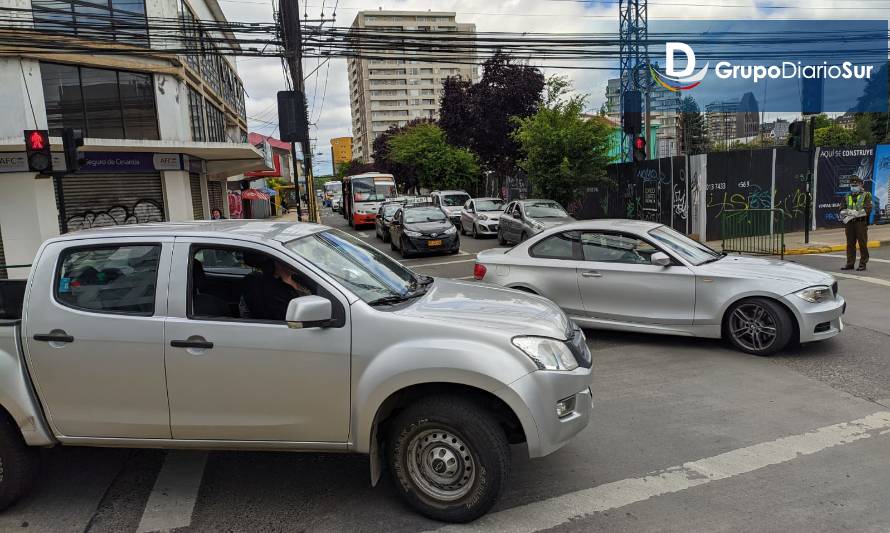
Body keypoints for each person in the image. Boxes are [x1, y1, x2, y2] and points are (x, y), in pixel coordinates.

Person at [841, 176, 872, 271]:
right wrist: (849, 213)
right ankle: (850, 263)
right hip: (849, 223)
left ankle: (863, 264)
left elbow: (867, 210)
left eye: (856, 185)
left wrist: (856, 213)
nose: (854, 186)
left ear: (861, 185)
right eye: (852, 185)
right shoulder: (847, 195)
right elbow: (841, 209)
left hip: (861, 223)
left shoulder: (866, 195)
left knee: (862, 244)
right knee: (850, 244)